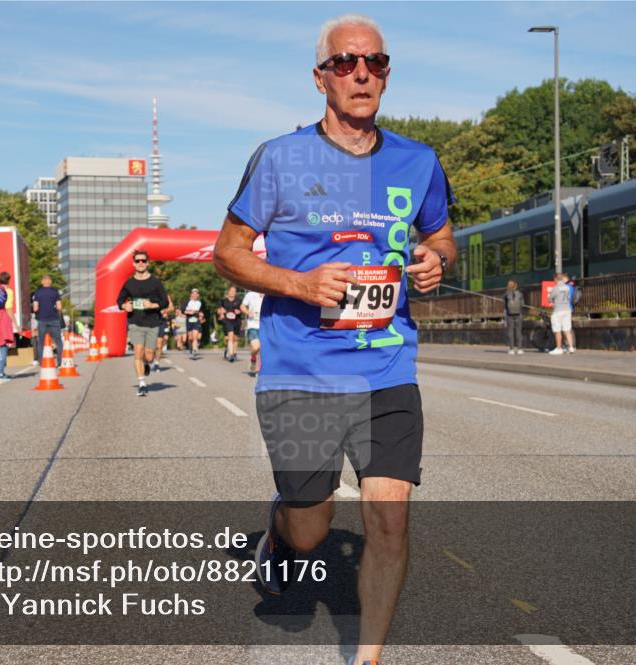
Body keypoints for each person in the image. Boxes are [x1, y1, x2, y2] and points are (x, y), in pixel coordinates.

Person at [212, 14, 456, 665]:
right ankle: (279, 535)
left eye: (374, 62)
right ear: (321, 77)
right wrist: (299, 282)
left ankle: (367, 657)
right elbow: (227, 253)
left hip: (387, 368)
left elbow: (441, 236)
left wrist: (436, 260)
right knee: (310, 523)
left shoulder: (418, 161)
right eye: (346, 62)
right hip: (300, 371)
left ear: (386, 73)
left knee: (388, 515)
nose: (360, 73)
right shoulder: (280, 158)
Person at [116, 249, 169, 396]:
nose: (140, 263)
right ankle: (142, 383)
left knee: (150, 356)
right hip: (135, 322)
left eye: (143, 261)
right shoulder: (129, 283)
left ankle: (146, 364)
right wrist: (124, 306)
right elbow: (119, 300)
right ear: (134, 264)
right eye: (138, 261)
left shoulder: (155, 282)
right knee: (138, 352)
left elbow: (165, 302)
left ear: (148, 263)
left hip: (153, 322)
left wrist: (152, 305)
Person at [32, 275, 64, 367]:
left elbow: (35, 308)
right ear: (51, 282)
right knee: (58, 341)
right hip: (54, 319)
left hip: (42, 319)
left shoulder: (37, 292)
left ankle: (42, 362)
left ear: (42, 282)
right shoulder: (55, 292)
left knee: (41, 341)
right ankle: (60, 362)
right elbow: (59, 307)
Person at [548, 273, 575, 355]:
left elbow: (550, 299)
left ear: (556, 279)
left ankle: (559, 348)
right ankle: (571, 347)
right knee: (567, 330)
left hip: (558, 310)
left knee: (557, 330)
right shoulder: (567, 287)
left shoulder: (555, 288)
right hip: (567, 309)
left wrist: (552, 301)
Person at [241, 289, 264, 376]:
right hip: (253, 325)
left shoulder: (269, 295)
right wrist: (247, 312)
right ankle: (253, 358)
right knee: (256, 347)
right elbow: (242, 306)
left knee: (264, 348)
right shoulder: (250, 294)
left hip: (264, 325)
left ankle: (261, 368)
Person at [217, 286, 243, 362]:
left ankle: (234, 353)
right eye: (231, 291)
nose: (233, 292)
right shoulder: (223, 301)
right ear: (228, 292)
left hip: (237, 320)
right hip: (227, 320)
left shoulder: (239, 301)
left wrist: (240, 311)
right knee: (230, 336)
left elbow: (242, 309)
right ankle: (231, 355)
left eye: (234, 291)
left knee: (235, 338)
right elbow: (219, 310)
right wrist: (221, 312)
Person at [153, 295, 174, 372]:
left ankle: (156, 363)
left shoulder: (165, 295)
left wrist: (165, 310)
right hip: (149, 321)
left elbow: (171, 307)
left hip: (161, 322)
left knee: (159, 344)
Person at [503, 280, 525, 355]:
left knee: (510, 332)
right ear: (516, 286)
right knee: (519, 332)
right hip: (518, 314)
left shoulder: (506, 294)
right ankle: (519, 349)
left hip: (509, 315)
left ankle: (511, 349)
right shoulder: (520, 294)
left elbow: (505, 305)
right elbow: (522, 304)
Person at [182, 288, 204, 359]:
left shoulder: (199, 303)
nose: (195, 295)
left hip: (196, 320)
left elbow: (201, 311)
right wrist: (189, 312)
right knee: (190, 338)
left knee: (195, 336)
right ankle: (190, 349)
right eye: (193, 294)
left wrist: (201, 314)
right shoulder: (187, 302)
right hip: (189, 320)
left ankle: (194, 351)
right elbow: (183, 310)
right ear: (191, 294)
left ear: (198, 295)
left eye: (196, 294)